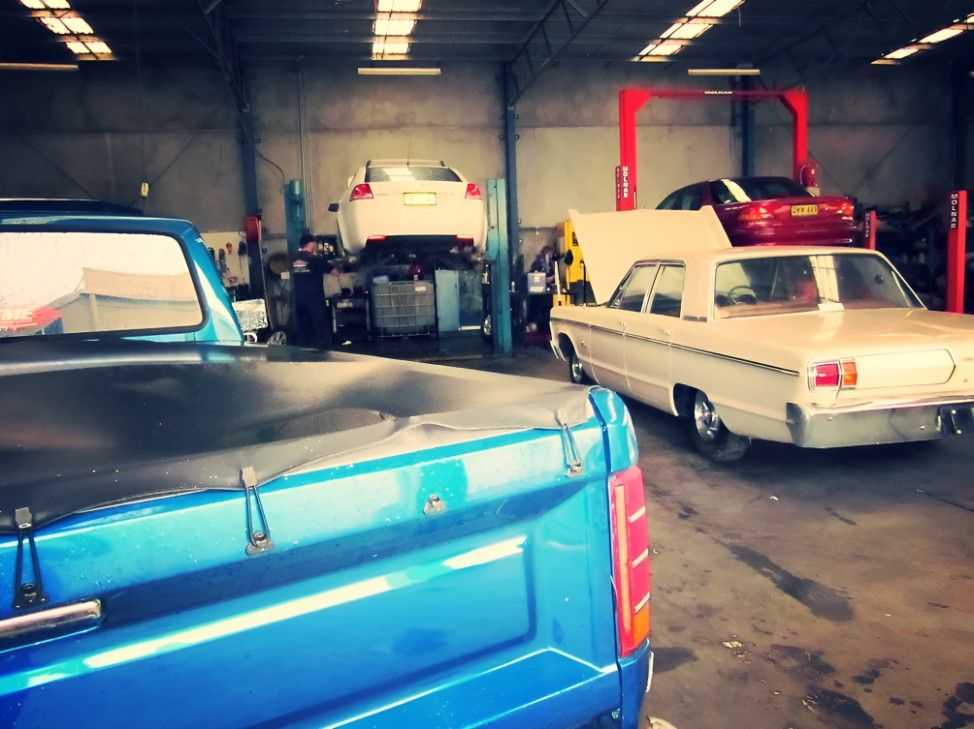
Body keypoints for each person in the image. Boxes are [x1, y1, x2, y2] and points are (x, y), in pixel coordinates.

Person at [290, 233, 333, 349]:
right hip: (314, 298)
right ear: (310, 244)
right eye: (315, 243)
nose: (317, 245)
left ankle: (304, 351)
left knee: (303, 327)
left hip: (299, 298)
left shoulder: (293, 259)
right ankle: (322, 352)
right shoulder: (315, 259)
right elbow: (333, 270)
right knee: (320, 326)